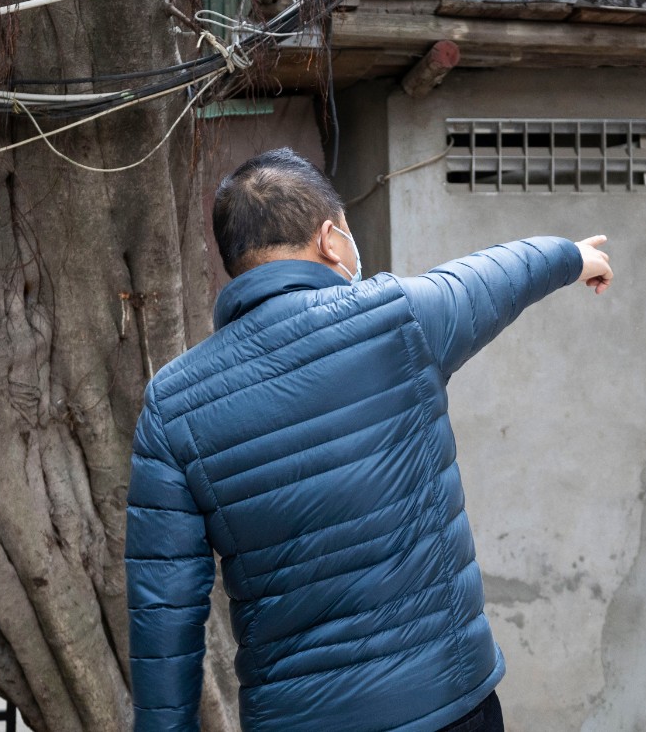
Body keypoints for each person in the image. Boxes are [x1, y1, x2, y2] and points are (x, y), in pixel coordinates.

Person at [126, 148, 613, 732]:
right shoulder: (396, 318)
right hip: (446, 703)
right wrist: (575, 257)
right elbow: (497, 276)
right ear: (330, 239)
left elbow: (163, 612)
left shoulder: (173, 403)